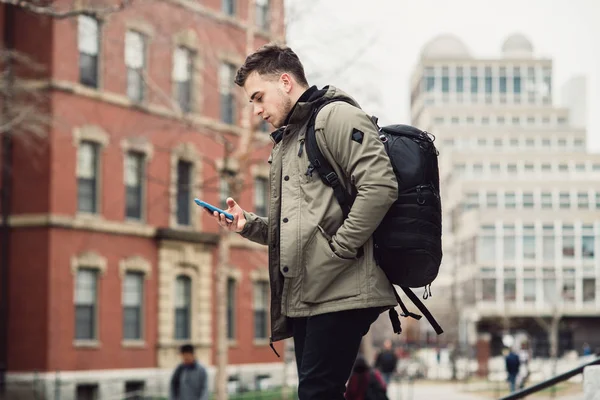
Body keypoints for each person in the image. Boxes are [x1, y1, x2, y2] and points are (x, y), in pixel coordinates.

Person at [205, 43, 398, 400]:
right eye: (252, 102)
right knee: (316, 393)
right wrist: (247, 224)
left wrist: (338, 250)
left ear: (285, 81)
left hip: (342, 289)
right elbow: (301, 228)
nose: (257, 110)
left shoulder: (336, 117)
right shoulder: (288, 140)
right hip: (310, 293)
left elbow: (380, 187)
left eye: (259, 97)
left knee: (316, 393)